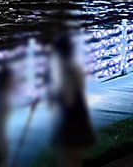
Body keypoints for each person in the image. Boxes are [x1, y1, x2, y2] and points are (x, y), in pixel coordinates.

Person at [51, 33, 95, 167]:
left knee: (66, 155)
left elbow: (68, 99)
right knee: (77, 155)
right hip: (80, 115)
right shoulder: (75, 68)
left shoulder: (63, 72)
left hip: (69, 119)